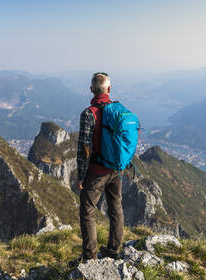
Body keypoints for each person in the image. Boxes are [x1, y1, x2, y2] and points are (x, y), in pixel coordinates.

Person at [69, 72, 124, 267]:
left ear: (91, 89)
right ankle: (114, 250)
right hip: (116, 169)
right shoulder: (117, 110)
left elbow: (84, 149)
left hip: (96, 172)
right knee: (116, 208)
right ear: (109, 89)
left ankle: (90, 257)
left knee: (87, 211)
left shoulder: (88, 113)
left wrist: (81, 176)